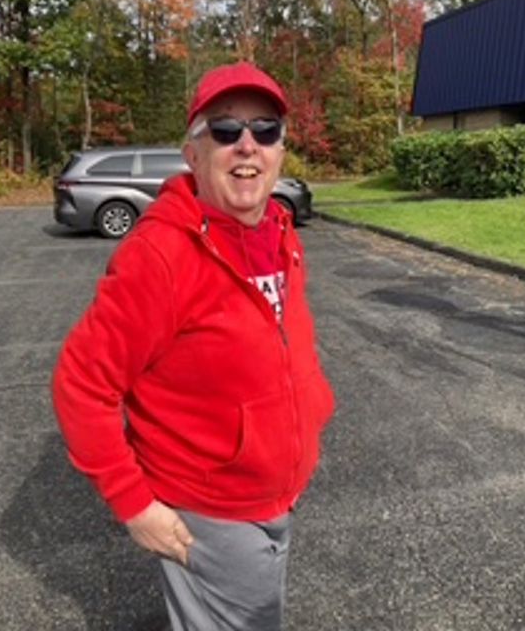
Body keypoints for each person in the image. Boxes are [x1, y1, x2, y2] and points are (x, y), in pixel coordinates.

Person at [52, 61, 335, 631]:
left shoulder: (276, 227)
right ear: (193, 154)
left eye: (266, 130)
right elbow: (82, 384)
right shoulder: (159, 256)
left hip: (275, 489)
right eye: (226, 131)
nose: (247, 146)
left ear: (281, 151)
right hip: (212, 506)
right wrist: (134, 504)